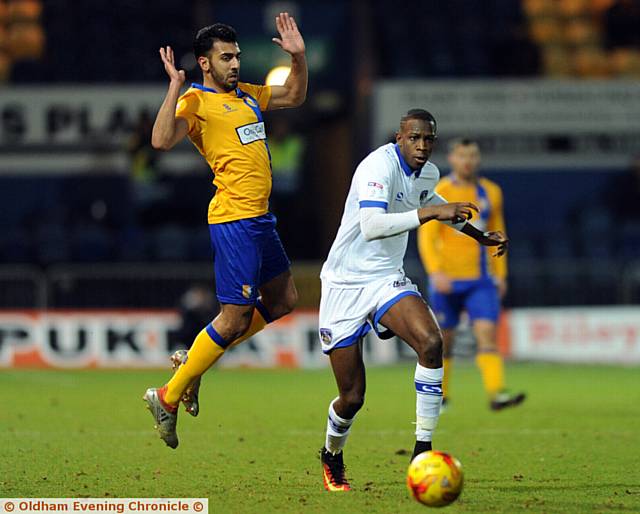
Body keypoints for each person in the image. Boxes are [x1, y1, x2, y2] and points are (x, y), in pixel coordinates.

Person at [317, 110, 508, 491]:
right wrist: (430, 212)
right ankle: (331, 454)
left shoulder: (428, 173)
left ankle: (423, 448)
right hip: (344, 284)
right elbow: (373, 227)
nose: (422, 146)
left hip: (387, 279)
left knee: (431, 342)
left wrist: (478, 235)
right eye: (415, 138)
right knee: (352, 398)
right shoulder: (376, 166)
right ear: (399, 137)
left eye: (428, 140)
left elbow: (438, 205)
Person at [143, 14, 307, 449]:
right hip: (234, 219)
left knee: (284, 300)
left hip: (260, 218)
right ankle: (168, 394)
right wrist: (174, 87)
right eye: (226, 58)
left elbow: (293, 93)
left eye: (237, 56)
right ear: (204, 63)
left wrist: (299, 57)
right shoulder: (196, 101)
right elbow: (160, 140)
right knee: (234, 318)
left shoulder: (248, 96)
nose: (235, 64)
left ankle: (191, 363)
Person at [417, 138, 525, 412]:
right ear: (452, 159)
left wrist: (501, 274)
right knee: (444, 342)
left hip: (481, 281)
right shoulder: (440, 189)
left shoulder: (491, 192)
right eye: (462, 156)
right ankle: (441, 397)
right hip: (447, 280)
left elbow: (498, 232)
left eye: (473, 156)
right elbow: (427, 236)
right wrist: (435, 272)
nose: (468, 161)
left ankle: (496, 394)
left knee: (488, 335)